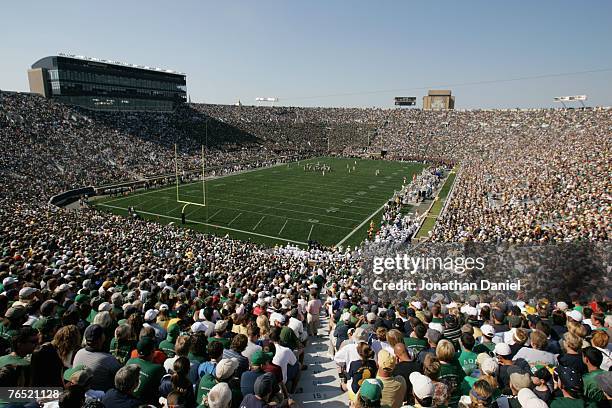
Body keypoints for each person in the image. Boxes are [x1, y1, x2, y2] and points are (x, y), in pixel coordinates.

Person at [72, 324, 121, 392]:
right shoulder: (108, 359)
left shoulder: (79, 352)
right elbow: (122, 376)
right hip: (101, 397)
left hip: (80, 394)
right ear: (101, 339)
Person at [125, 336, 165, 404]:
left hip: (125, 399)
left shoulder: (130, 361)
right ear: (153, 351)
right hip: (142, 404)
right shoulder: (158, 369)